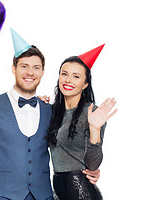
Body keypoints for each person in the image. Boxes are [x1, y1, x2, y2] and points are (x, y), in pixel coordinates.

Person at [0, 29, 100, 200]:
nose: (30, 72)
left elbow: (68, 148)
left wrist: (90, 170)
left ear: (42, 72)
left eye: (36, 67)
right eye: (24, 66)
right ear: (13, 69)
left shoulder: (50, 111)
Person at [46, 45, 117, 200]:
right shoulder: (51, 112)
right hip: (58, 190)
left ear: (85, 84)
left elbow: (93, 164)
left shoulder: (92, 113)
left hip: (81, 191)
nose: (68, 80)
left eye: (76, 76)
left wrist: (95, 129)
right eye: (64, 74)